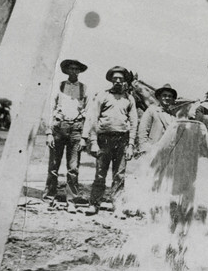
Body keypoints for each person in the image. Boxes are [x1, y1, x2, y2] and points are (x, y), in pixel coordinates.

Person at [80, 66, 138, 215]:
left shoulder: (129, 98)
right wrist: (93, 142)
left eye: (121, 79)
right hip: (104, 139)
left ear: (124, 80)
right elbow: (93, 119)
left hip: (122, 140)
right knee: (100, 173)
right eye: (115, 79)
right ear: (111, 80)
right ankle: (94, 204)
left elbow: (133, 122)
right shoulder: (103, 95)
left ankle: (117, 205)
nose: (118, 81)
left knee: (119, 175)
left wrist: (131, 144)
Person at [43, 59, 89, 209]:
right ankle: (49, 198)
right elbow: (50, 110)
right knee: (53, 166)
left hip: (76, 129)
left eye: (77, 69)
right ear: (67, 70)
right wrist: (49, 132)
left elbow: (88, 114)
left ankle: (71, 201)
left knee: (73, 167)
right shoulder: (59, 87)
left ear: (80, 71)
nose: (74, 71)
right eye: (71, 68)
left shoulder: (84, 89)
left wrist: (84, 137)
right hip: (59, 128)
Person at [137, 83, 177, 154]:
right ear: (159, 97)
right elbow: (143, 130)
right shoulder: (152, 110)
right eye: (164, 95)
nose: (167, 98)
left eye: (170, 96)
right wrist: (144, 149)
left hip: (169, 152)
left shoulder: (173, 115)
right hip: (153, 150)